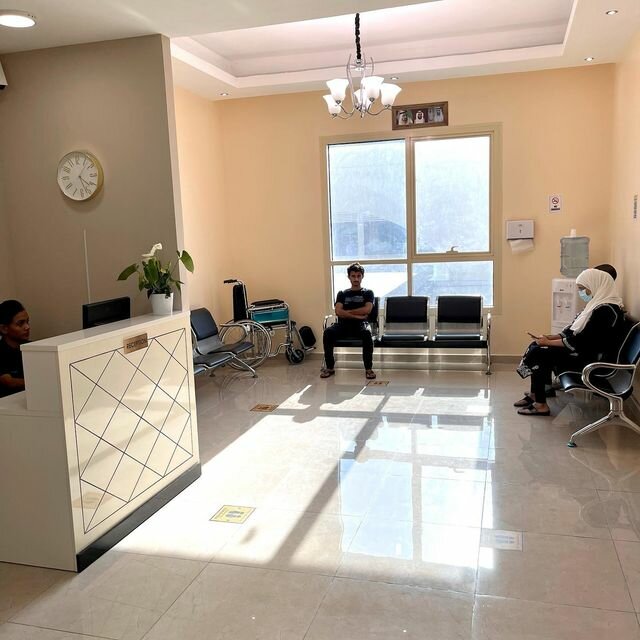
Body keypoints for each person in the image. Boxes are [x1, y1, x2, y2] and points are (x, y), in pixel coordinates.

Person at [514, 268, 626, 416]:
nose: (581, 292)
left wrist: (548, 342)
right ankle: (537, 394)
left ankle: (540, 404)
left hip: (592, 361)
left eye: (583, 288)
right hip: (586, 353)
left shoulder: (606, 311)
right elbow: (573, 331)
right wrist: (549, 338)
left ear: (595, 285)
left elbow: (582, 342)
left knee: (540, 353)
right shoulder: (597, 305)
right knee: (537, 346)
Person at [321, 263, 376, 380]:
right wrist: (358, 315)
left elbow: (367, 309)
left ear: (362, 276)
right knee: (328, 332)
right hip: (343, 324)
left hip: (361, 325)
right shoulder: (342, 293)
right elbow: (338, 311)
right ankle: (330, 367)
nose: (356, 279)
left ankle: (368, 369)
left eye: (358, 276)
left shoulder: (368, 293)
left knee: (367, 333)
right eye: (353, 276)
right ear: (349, 277)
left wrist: (347, 312)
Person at [0, 300, 30, 398]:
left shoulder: (32, 348)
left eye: (27, 322)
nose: (27, 327)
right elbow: (9, 382)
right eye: (20, 323)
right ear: (4, 329)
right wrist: (38, 382)